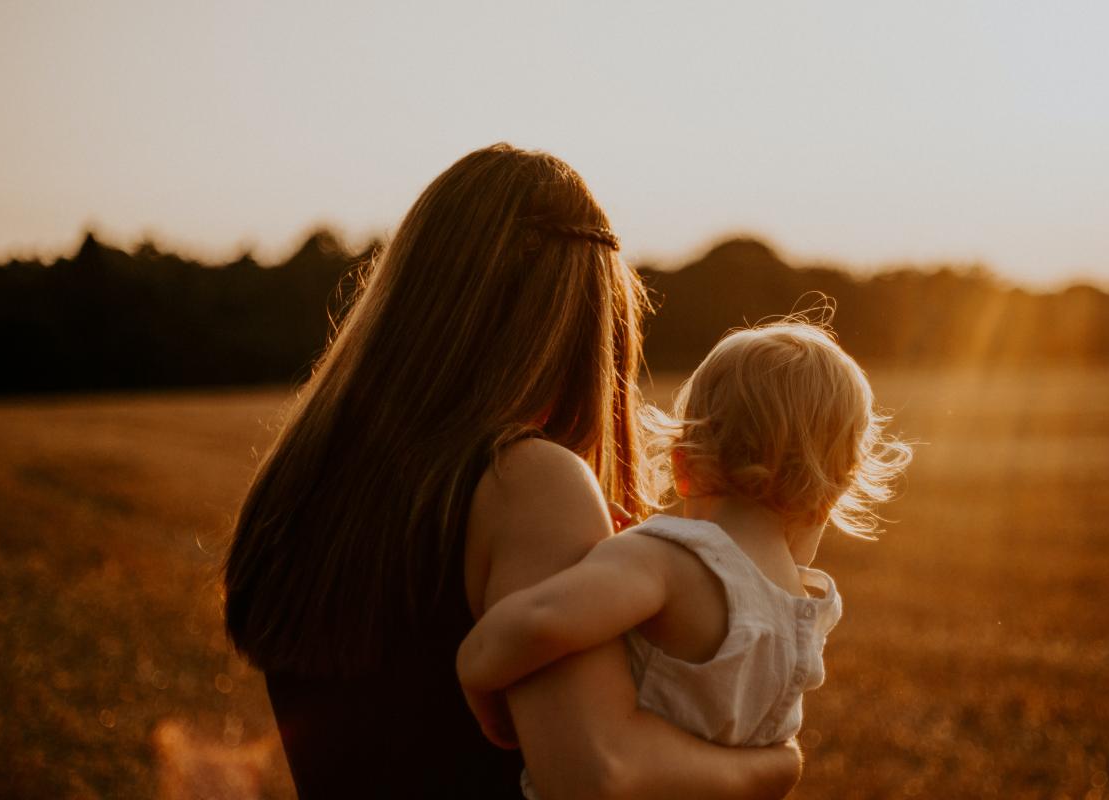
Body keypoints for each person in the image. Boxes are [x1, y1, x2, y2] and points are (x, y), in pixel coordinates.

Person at [223, 143, 803, 798]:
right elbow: (595, 776)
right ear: (584, 326)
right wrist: (771, 768)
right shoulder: (527, 481)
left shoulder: (301, 484)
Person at [456, 321, 913, 798]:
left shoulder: (665, 560)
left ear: (682, 463)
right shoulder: (805, 612)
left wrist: (476, 667)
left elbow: (544, 619)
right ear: (829, 497)